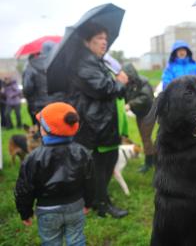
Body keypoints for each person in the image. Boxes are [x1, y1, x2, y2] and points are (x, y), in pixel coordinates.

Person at [67, 22, 129, 218]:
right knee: (99, 166)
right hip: (94, 125)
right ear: (87, 42)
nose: (104, 42)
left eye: (105, 38)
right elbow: (104, 88)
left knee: (106, 163)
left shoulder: (97, 61)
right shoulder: (84, 63)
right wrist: (120, 83)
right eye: (99, 39)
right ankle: (102, 205)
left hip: (102, 122)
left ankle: (96, 199)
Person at [14, 102, 94, 246]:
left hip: (47, 210)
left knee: (51, 242)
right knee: (76, 240)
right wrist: (88, 202)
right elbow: (90, 180)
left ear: (44, 130)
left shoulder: (33, 157)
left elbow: (24, 188)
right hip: (75, 206)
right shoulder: (82, 152)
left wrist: (25, 212)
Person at [121, 63, 156, 173]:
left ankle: (148, 163)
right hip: (140, 114)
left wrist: (130, 104)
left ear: (130, 74)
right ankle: (154, 159)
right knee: (144, 137)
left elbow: (146, 97)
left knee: (146, 137)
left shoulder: (143, 82)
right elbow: (125, 96)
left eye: (125, 75)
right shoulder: (128, 83)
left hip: (149, 113)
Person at [22, 41, 63, 125]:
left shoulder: (31, 64)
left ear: (42, 50)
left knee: (41, 130)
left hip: (39, 105)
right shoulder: (61, 63)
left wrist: (29, 99)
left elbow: (27, 88)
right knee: (58, 129)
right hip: (59, 103)